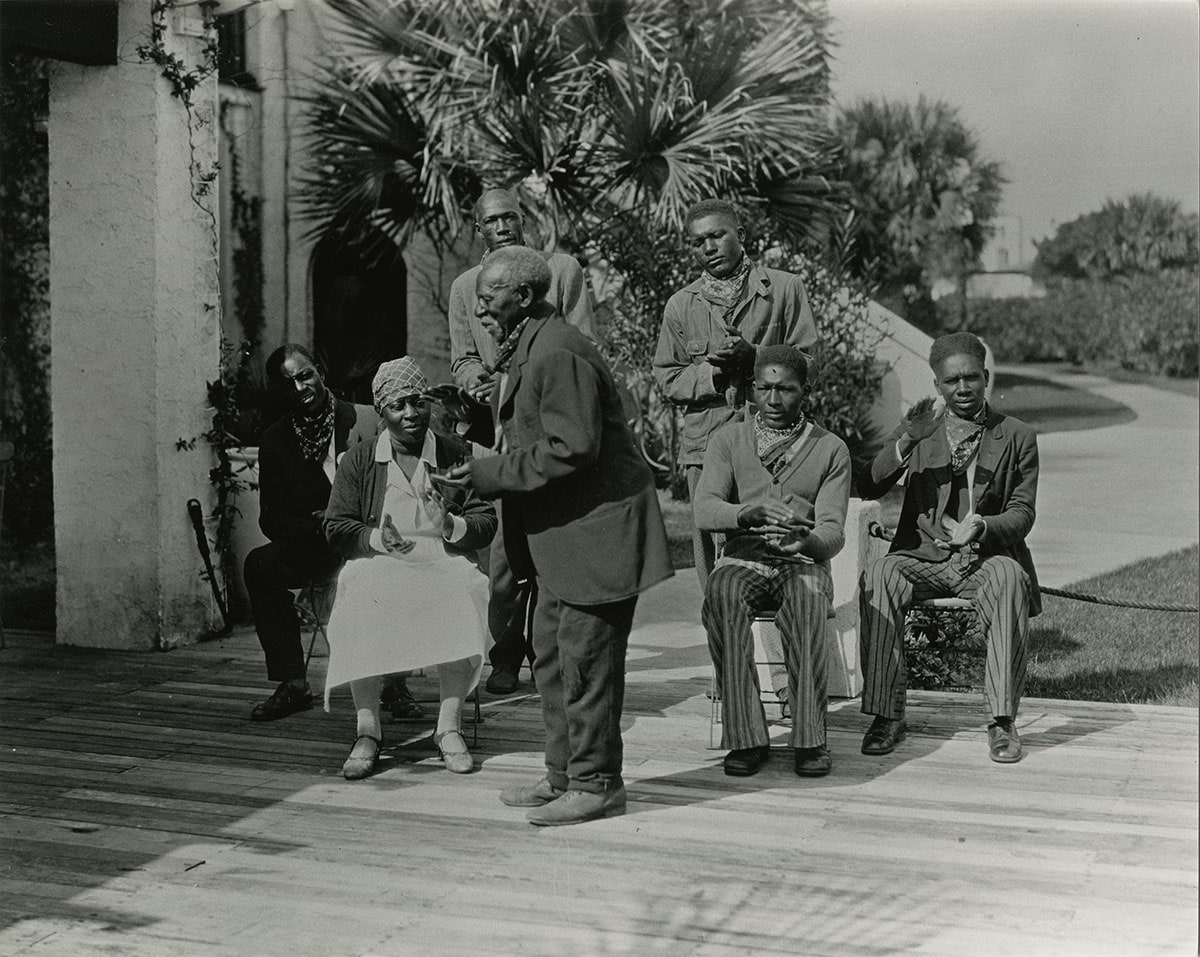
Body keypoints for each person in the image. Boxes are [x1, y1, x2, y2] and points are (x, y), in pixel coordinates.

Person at [443, 246, 673, 826]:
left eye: (490, 294)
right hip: (561, 542)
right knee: (549, 656)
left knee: (585, 665)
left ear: (524, 296)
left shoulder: (557, 350)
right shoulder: (528, 343)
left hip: (597, 540)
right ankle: (563, 775)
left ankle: (597, 785)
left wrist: (489, 472)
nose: (479, 304)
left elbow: (574, 446)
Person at [857, 332, 1040, 764]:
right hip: (921, 557)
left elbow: (1023, 513)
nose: (963, 388)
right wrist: (906, 441)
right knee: (880, 575)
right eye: (952, 380)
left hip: (984, 558)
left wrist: (981, 527)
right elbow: (867, 483)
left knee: (1012, 578)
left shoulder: (1017, 436)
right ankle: (887, 715)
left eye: (972, 378)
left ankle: (1001, 721)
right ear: (936, 384)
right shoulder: (921, 429)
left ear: (986, 377)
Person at [447, 187, 597, 697]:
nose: (504, 226)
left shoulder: (561, 271)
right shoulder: (466, 287)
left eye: (511, 216)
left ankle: (553, 655)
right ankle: (505, 657)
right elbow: (464, 356)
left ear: (524, 218)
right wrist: (474, 381)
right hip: (498, 434)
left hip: (552, 428)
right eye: (492, 220)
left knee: (557, 542)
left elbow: (581, 346)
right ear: (479, 230)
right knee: (506, 560)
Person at [322, 357, 497, 780]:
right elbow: (336, 525)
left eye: (418, 402)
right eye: (398, 405)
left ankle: (448, 726)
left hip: (442, 558)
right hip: (380, 560)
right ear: (381, 411)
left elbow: (485, 519)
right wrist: (379, 538)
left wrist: (449, 524)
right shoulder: (361, 459)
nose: (411, 414)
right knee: (360, 596)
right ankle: (368, 730)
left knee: (463, 591)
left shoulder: (453, 453)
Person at [695, 346, 850, 778]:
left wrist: (807, 539)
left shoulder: (830, 448)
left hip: (802, 563)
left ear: (807, 391)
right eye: (764, 389)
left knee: (805, 603)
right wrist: (745, 514)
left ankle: (809, 739)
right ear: (752, 389)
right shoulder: (728, 440)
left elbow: (834, 530)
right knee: (722, 594)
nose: (774, 400)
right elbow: (704, 508)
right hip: (743, 559)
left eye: (786, 389)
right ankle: (747, 737)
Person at [653, 199, 818, 590]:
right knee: (711, 557)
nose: (708, 248)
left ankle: (785, 642)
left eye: (717, 235)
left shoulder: (784, 289)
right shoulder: (681, 305)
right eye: (698, 242)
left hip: (775, 443)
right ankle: (723, 643)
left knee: (780, 545)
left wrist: (755, 359)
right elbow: (668, 378)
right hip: (706, 447)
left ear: (740, 236)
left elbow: (811, 364)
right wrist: (714, 371)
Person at [243, 344, 379, 721]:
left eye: (306, 376)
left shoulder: (366, 422)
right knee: (260, 564)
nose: (301, 388)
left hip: (371, 541)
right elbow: (271, 519)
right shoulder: (275, 440)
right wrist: (318, 526)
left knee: (382, 571)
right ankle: (292, 683)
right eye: (289, 384)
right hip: (318, 544)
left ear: (320, 372)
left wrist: (353, 522)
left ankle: (394, 685)